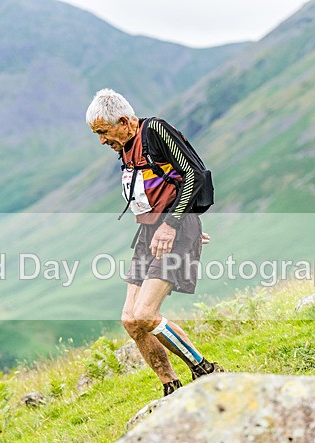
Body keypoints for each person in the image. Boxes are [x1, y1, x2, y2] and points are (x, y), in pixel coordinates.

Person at [85, 88, 224, 397]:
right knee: (131, 321)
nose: (101, 140)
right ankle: (170, 388)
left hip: (171, 230)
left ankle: (206, 371)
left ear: (123, 121)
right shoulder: (124, 147)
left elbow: (196, 174)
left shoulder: (156, 130)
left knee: (146, 313)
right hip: (150, 233)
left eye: (103, 132)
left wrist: (179, 224)